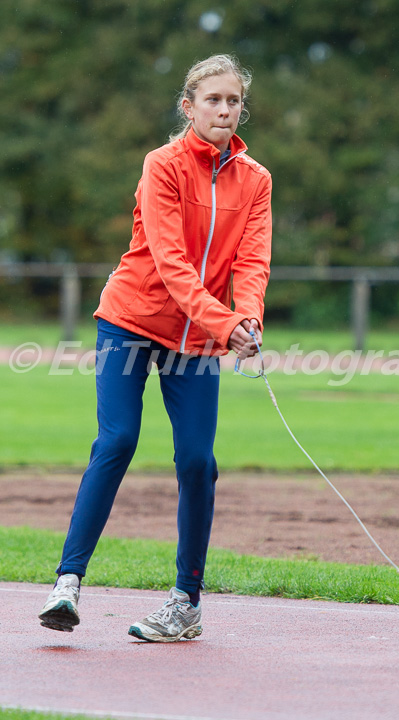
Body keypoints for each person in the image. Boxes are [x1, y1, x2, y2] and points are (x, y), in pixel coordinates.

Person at [38, 54, 272, 642]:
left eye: (233, 101)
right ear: (188, 106)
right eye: (212, 100)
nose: (224, 109)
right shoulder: (162, 165)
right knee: (117, 439)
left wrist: (247, 320)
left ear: (242, 108)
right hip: (131, 323)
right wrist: (226, 326)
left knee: (198, 461)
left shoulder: (257, 181)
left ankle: (185, 604)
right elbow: (170, 264)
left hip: (196, 338)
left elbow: (251, 262)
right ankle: (67, 584)